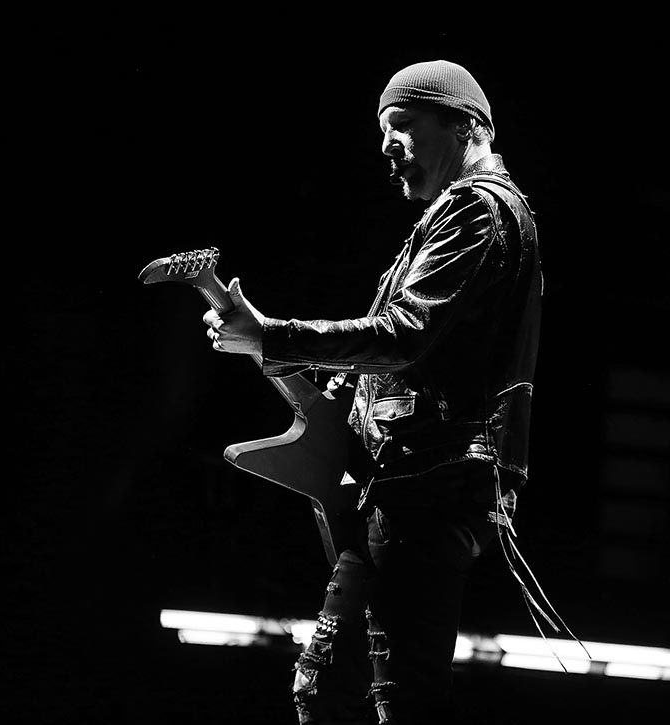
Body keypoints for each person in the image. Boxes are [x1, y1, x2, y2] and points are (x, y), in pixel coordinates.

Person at [203, 60, 543, 725]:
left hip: (429, 486)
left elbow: (403, 334)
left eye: (403, 124)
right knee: (343, 687)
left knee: (378, 694)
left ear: (465, 124)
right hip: (414, 486)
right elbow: (407, 352)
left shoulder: (478, 209)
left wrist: (272, 335)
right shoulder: (466, 214)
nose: (386, 145)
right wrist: (311, 374)